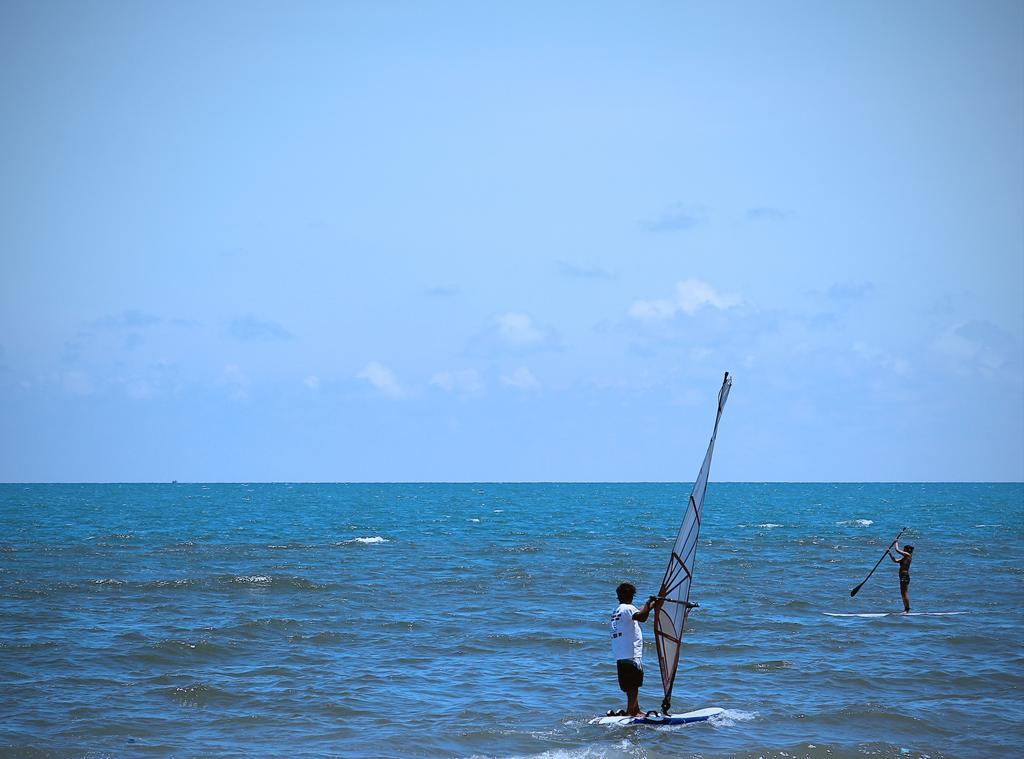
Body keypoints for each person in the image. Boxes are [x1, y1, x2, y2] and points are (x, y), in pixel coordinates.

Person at [887, 541, 914, 613]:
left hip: (905, 576)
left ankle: (907, 609)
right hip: (902, 576)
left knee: (904, 592)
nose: (903, 550)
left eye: (904, 549)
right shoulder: (904, 558)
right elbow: (895, 560)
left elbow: (897, 550)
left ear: (907, 550)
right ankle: (906, 608)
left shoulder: (908, 555)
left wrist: (896, 542)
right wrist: (889, 553)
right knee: (902, 592)